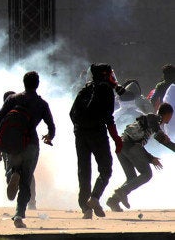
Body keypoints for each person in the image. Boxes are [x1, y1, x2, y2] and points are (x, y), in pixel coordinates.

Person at [0, 71, 55, 228]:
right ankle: (19, 215)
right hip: (31, 144)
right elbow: (52, 127)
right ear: (37, 84)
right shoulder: (42, 104)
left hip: (12, 144)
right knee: (26, 182)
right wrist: (49, 137)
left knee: (12, 171)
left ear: (24, 83)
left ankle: (13, 174)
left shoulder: (13, 99)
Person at [69, 63, 124, 219]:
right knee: (106, 169)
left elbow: (71, 113)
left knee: (84, 171)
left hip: (80, 135)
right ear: (106, 74)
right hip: (98, 134)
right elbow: (109, 118)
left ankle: (85, 209)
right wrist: (117, 139)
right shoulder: (106, 90)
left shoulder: (85, 90)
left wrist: (80, 130)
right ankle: (94, 198)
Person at [106, 103, 175, 212]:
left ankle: (113, 200)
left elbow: (165, 142)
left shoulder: (154, 126)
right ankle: (122, 192)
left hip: (121, 146)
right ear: (168, 114)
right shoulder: (153, 118)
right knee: (147, 174)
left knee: (131, 178)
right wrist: (151, 158)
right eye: (171, 115)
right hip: (129, 145)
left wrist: (151, 157)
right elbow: (153, 125)